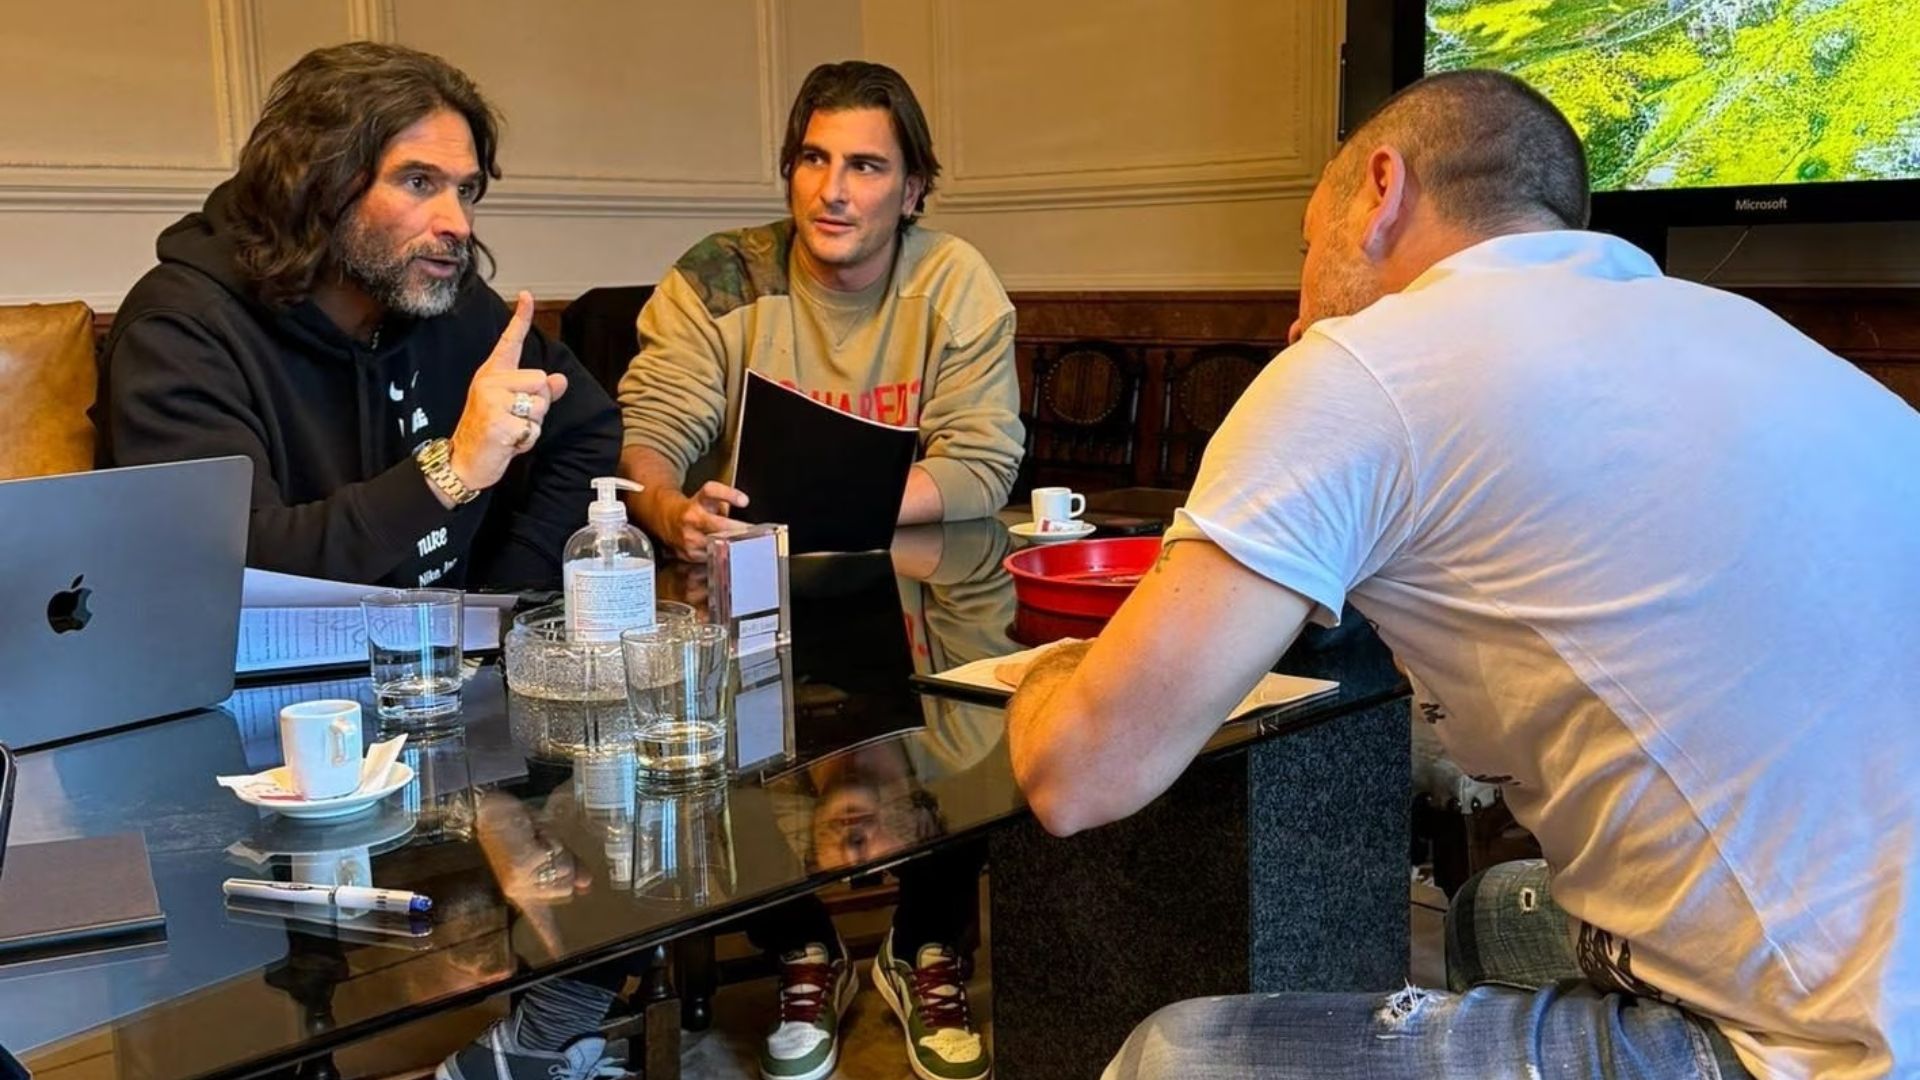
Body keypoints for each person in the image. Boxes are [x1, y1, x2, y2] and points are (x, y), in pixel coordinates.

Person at [1006, 69, 1920, 1080]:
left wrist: (1046, 674)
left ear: (1380, 191)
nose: (1297, 311)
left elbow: (1079, 775)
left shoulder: (1365, 365)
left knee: (1170, 1057)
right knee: (1494, 914)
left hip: (1817, 1046)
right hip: (1876, 962)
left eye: (1306, 249)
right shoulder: (1747, 333)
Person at [99, 42, 619, 590]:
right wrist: (449, 470)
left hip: (444, 642)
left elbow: (588, 431)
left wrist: (505, 601)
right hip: (275, 647)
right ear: (318, 184)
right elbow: (229, 572)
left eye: (465, 189)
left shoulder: (447, 297)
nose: (459, 224)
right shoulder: (180, 329)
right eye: (418, 182)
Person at [616, 60, 1024, 562]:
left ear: (910, 192)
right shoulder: (718, 276)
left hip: (901, 580)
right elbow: (649, 440)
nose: (832, 192)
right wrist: (671, 515)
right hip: (739, 580)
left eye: (864, 166)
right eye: (814, 159)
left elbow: (979, 465)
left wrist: (806, 510)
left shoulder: (953, 281)